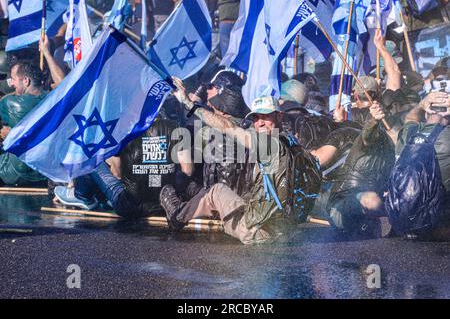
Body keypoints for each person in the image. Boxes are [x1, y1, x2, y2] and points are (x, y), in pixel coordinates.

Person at [165, 78, 322, 244]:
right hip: (286, 229)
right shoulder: (293, 143)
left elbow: (228, 127)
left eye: (266, 116)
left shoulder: (269, 144)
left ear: (279, 116)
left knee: (216, 191)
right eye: (256, 117)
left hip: (259, 233)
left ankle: (176, 216)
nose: (259, 123)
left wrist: (188, 104)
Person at [54, 113, 194, 217]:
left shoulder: (124, 129)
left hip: (129, 206)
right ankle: (93, 196)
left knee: (91, 159)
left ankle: (81, 196)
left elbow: (117, 174)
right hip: (165, 205)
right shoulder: (177, 128)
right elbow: (188, 170)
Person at [325, 101, 395, 237]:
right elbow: (367, 135)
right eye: (268, 116)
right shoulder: (367, 141)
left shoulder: (390, 148)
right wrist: (374, 120)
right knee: (371, 199)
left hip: (364, 218)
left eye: (272, 115)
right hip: (342, 203)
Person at [0, 61, 47, 186]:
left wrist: (11, 135)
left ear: (26, 81)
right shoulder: (53, 99)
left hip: (17, 173)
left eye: (14, 79)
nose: (12, 84)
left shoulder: (10, 103)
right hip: (46, 173)